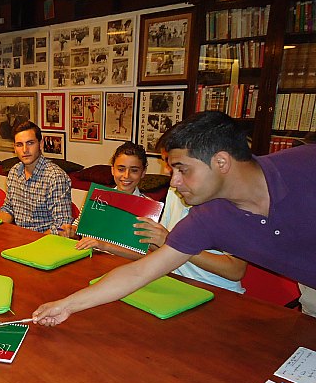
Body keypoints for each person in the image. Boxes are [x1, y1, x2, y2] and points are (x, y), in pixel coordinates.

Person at [33, 111, 316, 325]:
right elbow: (140, 271)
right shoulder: (208, 217)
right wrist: (67, 306)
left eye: (182, 169)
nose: (174, 182)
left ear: (220, 162)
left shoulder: (306, 166)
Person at [75, 138, 246, 294]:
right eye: (168, 165)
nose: (169, 175)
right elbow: (157, 250)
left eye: (178, 167)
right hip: (174, 281)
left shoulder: (234, 203)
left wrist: (173, 241)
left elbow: (235, 270)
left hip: (215, 290)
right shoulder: (173, 192)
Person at [0, 121, 72, 234]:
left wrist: (33, 241)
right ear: (14, 148)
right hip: (20, 239)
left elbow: (62, 225)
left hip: (45, 243)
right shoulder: (14, 172)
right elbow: (8, 208)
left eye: (30, 143)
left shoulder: (55, 177)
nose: (25, 150)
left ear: (41, 144)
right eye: (19, 144)